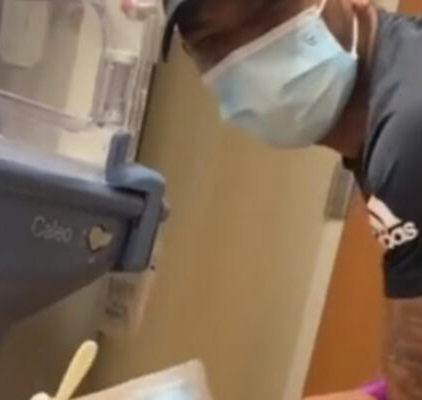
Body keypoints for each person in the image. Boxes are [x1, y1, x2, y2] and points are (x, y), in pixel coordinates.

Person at [150, 0, 422, 398]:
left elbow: (413, 378)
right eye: (210, 43)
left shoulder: (407, 131)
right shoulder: (398, 82)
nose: (244, 52)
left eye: (263, 12)